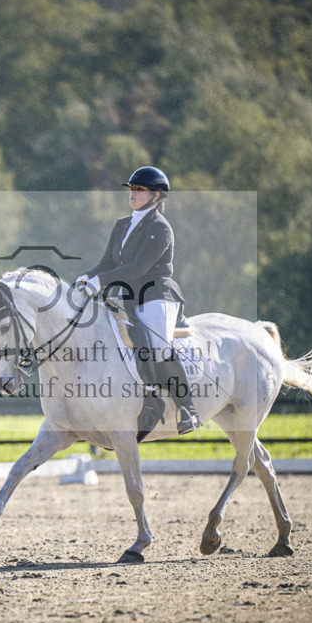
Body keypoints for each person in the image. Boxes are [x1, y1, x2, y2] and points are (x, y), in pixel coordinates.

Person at [75, 166, 201, 437]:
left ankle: (187, 407)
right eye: (132, 188)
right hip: (128, 297)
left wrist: (102, 281)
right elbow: (107, 262)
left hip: (157, 295)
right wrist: (87, 277)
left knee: (157, 347)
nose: (133, 193)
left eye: (140, 190)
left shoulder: (160, 227)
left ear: (156, 196)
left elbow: (139, 267)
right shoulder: (122, 224)